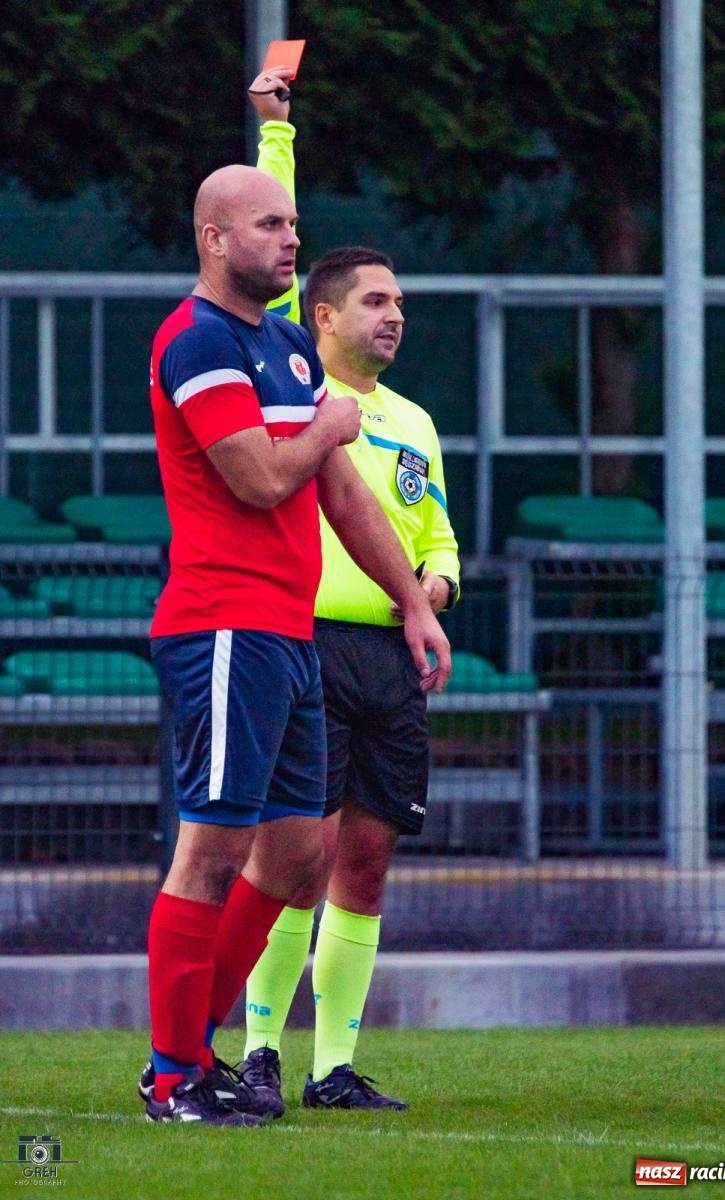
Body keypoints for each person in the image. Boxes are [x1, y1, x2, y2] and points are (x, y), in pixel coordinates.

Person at [141, 159, 451, 1126]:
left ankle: (195, 1054)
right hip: (225, 622)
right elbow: (263, 479)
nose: (290, 240)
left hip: (286, 633)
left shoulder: (284, 344)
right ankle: (171, 1075)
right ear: (216, 240)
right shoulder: (195, 342)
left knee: (294, 858)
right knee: (212, 850)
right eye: (270, 225)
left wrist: (412, 602)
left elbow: (340, 492)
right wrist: (331, 428)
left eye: (294, 224)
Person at [237, 67, 460, 1113]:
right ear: (318, 315)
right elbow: (269, 250)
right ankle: (259, 1049)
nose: (393, 316)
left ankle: (331, 1068)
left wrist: (439, 580)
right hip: (304, 638)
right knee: (300, 852)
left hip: (387, 655)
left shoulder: (413, 422)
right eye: (375, 300)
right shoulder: (292, 371)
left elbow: (437, 533)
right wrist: (274, 132)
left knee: (364, 864)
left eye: (400, 304)